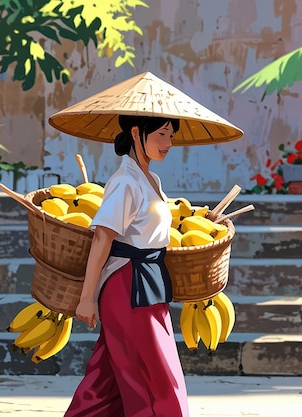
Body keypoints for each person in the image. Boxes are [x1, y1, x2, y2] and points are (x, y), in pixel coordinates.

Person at [64, 114, 189, 417]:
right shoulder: (124, 182)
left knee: (105, 386)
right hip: (129, 286)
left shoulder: (152, 180)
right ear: (136, 133)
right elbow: (102, 239)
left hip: (150, 284)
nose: (168, 144)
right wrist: (87, 298)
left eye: (171, 136)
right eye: (161, 135)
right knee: (156, 381)